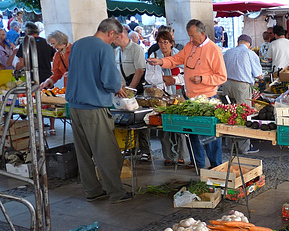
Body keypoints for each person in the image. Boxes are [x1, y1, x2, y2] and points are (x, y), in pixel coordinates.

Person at [65, 18, 132, 204]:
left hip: (75, 106)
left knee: (83, 152)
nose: (114, 41)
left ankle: (92, 190)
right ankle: (116, 193)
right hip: (94, 107)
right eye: (115, 37)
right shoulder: (104, 49)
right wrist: (117, 85)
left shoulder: (77, 45)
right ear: (110, 33)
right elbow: (110, 81)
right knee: (107, 152)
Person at [147, 19, 227, 170]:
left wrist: (202, 79)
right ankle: (199, 167)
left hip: (207, 100)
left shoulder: (214, 49)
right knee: (192, 134)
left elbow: (222, 77)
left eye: (193, 36)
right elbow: (176, 60)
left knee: (210, 135)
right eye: (189, 36)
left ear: (202, 33)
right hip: (190, 100)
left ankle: (216, 167)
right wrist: (160, 62)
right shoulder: (190, 46)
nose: (190, 39)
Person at [150, 30, 190, 166]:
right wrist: (163, 78)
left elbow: (187, 75)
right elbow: (149, 77)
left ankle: (181, 155)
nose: (163, 45)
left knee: (180, 126)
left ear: (171, 43)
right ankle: (168, 156)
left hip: (179, 93)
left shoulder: (180, 56)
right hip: (162, 95)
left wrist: (174, 79)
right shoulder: (154, 56)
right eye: (160, 42)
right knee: (164, 126)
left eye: (166, 42)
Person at [222, 34, 263, 155]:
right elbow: (258, 75)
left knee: (229, 113)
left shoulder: (228, 52)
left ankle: (230, 145)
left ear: (238, 42)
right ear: (249, 45)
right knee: (244, 115)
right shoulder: (250, 54)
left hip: (226, 84)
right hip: (241, 86)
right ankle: (244, 147)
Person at [115, 26, 149, 161]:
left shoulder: (136, 49)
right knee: (126, 120)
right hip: (121, 92)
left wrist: (130, 90)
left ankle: (145, 150)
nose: (113, 40)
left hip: (135, 91)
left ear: (121, 36)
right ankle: (131, 147)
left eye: (115, 37)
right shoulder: (116, 51)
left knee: (140, 120)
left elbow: (140, 71)